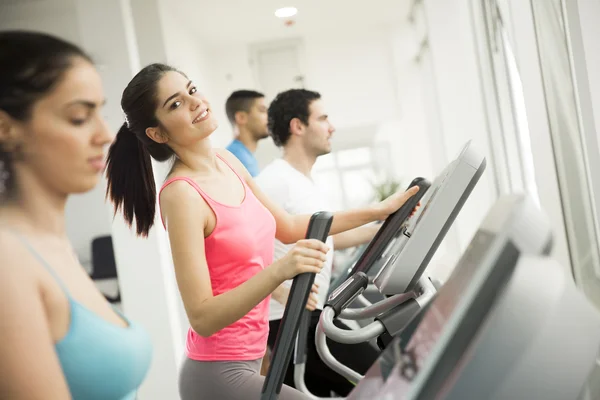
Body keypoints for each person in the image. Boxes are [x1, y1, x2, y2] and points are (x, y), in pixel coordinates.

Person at [104, 63, 419, 400]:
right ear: (158, 133)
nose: (195, 102)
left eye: (192, 90)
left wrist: (381, 210)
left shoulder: (228, 162)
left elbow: (290, 227)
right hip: (218, 374)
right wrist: (280, 272)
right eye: (176, 104)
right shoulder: (182, 194)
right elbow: (203, 317)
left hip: (252, 361)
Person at [0, 31, 152, 400]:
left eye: (100, 113)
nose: (105, 135)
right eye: (79, 117)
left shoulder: (51, 244)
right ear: (6, 128)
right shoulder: (7, 259)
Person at [257, 89, 381, 396]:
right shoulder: (274, 181)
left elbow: (327, 237)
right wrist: (282, 292)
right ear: (298, 126)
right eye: (323, 118)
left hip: (308, 315)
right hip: (291, 320)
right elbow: (244, 254)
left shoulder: (303, 183)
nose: (332, 127)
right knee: (384, 378)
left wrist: (383, 230)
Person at [225, 90, 269, 176]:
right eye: (262, 110)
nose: (268, 116)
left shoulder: (245, 157)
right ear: (241, 117)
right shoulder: (237, 161)